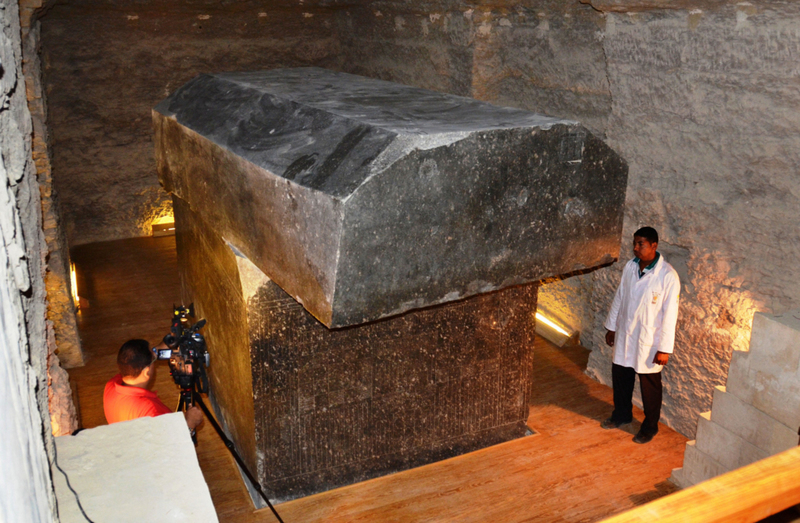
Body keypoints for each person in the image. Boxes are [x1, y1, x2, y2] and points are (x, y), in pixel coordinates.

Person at [601, 226, 680, 444]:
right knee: (621, 377)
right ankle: (622, 414)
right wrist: (612, 327)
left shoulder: (667, 276)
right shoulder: (630, 267)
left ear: (654, 246)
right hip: (626, 333)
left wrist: (664, 348)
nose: (635, 248)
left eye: (640, 244)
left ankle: (649, 427)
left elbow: (670, 315)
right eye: (634, 244)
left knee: (649, 386)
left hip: (649, 341)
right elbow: (621, 296)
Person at [104, 338, 203, 431]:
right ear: (146, 372)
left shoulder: (111, 385)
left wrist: (157, 350)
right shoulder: (151, 412)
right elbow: (170, 444)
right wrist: (189, 424)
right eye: (153, 360)